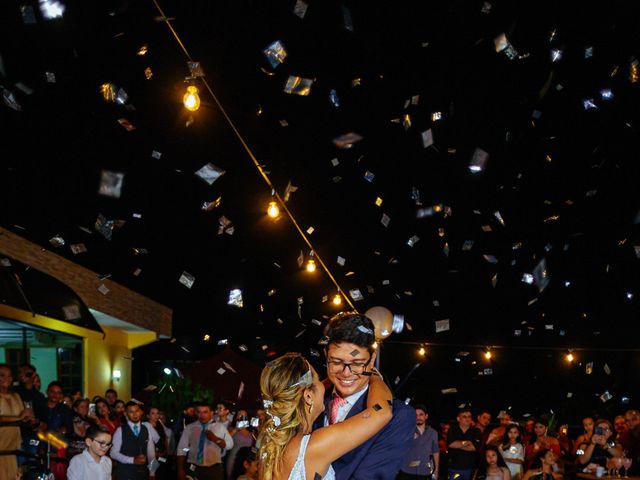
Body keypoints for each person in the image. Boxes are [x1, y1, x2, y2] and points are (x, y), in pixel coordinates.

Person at [259, 351, 393, 480]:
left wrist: (335, 378)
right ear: (308, 396)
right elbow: (380, 412)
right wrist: (373, 375)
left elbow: (301, 392)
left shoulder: (269, 444)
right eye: (318, 380)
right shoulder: (313, 447)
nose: (323, 385)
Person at [313, 312, 415, 479]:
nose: (346, 373)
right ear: (326, 356)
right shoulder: (312, 401)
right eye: (337, 362)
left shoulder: (399, 416)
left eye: (357, 363)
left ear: (372, 359)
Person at [176, 401, 234, 480]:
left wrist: (215, 439)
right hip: (193, 468)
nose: (202, 415)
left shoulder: (220, 427)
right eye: (199, 412)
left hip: (213, 469)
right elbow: (181, 448)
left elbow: (229, 445)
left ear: (211, 413)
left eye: (205, 412)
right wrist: (180, 469)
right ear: (196, 413)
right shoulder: (190, 428)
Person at [0, 363, 34, 480]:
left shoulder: (16, 396)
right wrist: (19, 417)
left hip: (12, 449)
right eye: (2, 375)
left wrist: (29, 418)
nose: (6, 379)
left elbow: (23, 416)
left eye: (9, 376)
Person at [110, 400, 157, 479]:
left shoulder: (146, 429)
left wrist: (152, 473)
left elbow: (151, 453)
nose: (135, 414)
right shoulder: (120, 430)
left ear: (141, 412)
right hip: (125, 473)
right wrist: (132, 460)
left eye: (137, 411)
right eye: (131, 412)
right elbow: (113, 453)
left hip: (143, 474)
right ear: (126, 413)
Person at [397, 404, 440, 479]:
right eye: (415, 415)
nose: (418, 417)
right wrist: (408, 438)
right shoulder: (407, 431)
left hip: (424, 471)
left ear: (426, 416)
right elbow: (398, 448)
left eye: (421, 414)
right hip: (407, 470)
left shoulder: (433, 433)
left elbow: (435, 452)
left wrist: (436, 470)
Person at [447, 407, 481, 480]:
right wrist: (467, 442)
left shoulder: (476, 431)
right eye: (464, 417)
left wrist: (458, 444)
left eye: (469, 417)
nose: (467, 419)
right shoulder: (452, 430)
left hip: (470, 469)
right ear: (458, 419)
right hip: (454, 468)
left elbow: (473, 448)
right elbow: (451, 444)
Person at [226, 409, 256, 479]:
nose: (242, 417)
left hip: (246, 461)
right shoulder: (231, 428)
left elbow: (254, 445)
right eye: (239, 414)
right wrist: (236, 429)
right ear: (236, 417)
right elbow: (225, 441)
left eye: (244, 415)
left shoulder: (251, 432)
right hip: (234, 457)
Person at [144, 406, 171, 479]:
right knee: (153, 474)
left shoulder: (160, 425)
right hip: (151, 457)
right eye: (153, 413)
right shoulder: (145, 426)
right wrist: (156, 454)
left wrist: (166, 452)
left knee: (163, 473)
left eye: (157, 413)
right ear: (148, 416)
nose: (156, 415)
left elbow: (165, 440)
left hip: (162, 456)